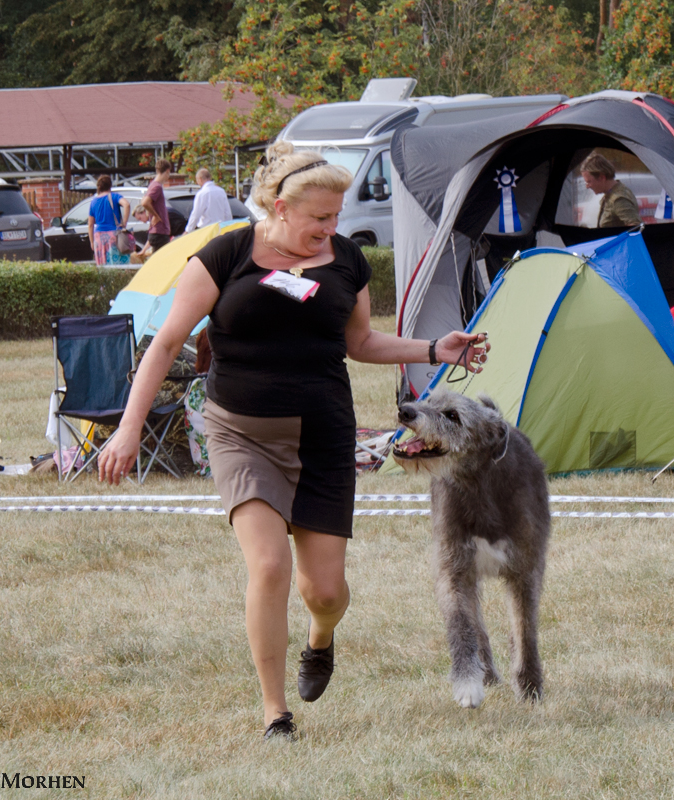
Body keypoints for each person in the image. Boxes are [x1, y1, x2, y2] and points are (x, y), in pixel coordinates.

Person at [97, 142, 491, 741]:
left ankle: (321, 636)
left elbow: (360, 343)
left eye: (336, 217)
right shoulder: (224, 255)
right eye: (320, 218)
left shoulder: (348, 262)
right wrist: (129, 428)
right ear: (280, 207)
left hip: (323, 435)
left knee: (325, 591)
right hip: (242, 433)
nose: (331, 229)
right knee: (270, 565)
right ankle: (275, 712)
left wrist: (435, 348)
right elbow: (166, 340)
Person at [579, 153, 642, 228]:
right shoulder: (613, 193)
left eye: (589, 181)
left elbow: (635, 226)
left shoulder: (618, 199)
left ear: (602, 177)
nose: (587, 186)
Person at [87, 175, 131, 266]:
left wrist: (91, 241)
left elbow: (90, 224)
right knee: (116, 264)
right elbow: (126, 204)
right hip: (113, 235)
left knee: (103, 266)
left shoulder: (93, 201)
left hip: (98, 237)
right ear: (110, 185)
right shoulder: (115, 197)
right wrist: (124, 223)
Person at [185, 168, 233, 233]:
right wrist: (229, 228)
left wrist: (188, 230)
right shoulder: (221, 191)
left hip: (206, 231)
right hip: (221, 229)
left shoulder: (202, 194)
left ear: (200, 179)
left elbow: (196, 215)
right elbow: (228, 214)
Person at [141, 158, 172, 253]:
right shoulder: (157, 186)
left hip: (157, 232)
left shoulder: (152, 185)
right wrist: (156, 215)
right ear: (167, 171)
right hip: (159, 233)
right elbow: (145, 202)